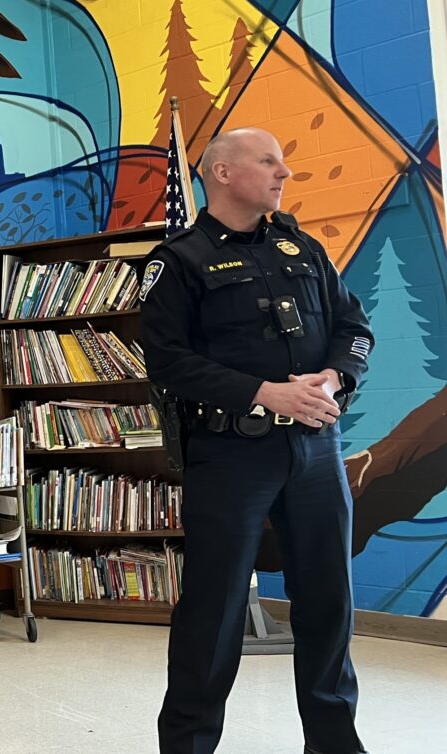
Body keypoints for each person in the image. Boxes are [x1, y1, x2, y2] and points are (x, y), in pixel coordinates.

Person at [140, 127, 373, 754]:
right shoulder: (180, 260)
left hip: (316, 452)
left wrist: (335, 375)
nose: (284, 173)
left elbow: (353, 326)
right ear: (222, 173)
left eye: (283, 160)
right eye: (269, 161)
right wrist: (260, 392)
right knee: (213, 612)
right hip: (230, 455)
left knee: (328, 600)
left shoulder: (301, 247)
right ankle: (188, 745)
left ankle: (333, 744)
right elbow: (165, 360)